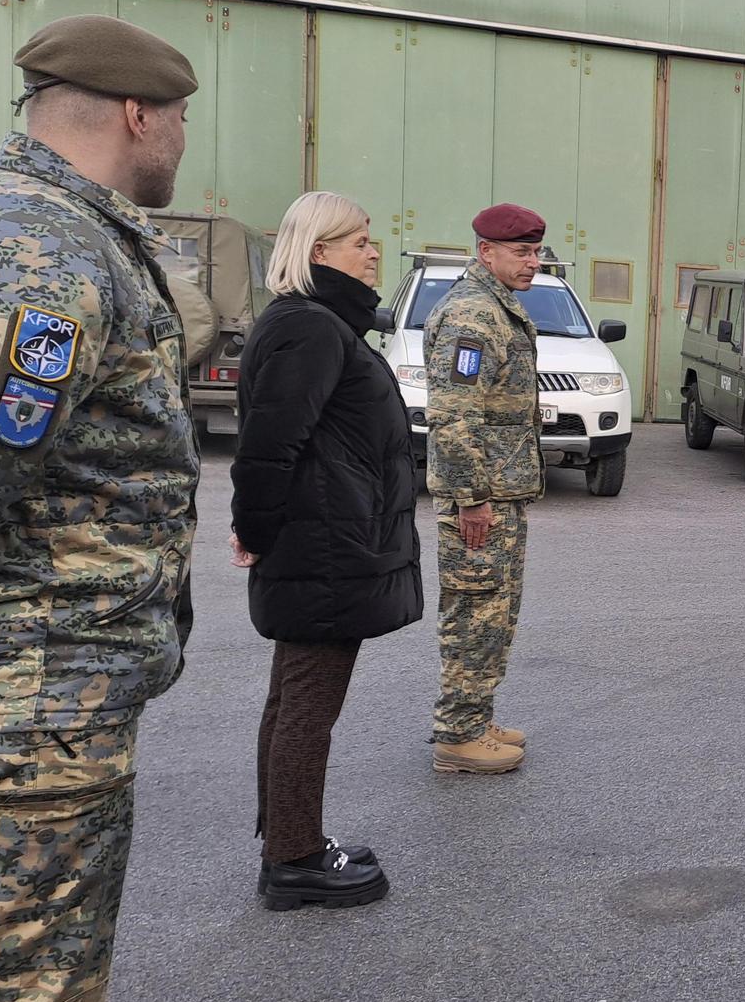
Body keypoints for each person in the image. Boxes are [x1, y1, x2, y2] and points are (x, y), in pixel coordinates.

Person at [0, 15, 199, 1002]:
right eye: (178, 119)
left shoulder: (29, 227)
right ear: (138, 114)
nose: (180, 140)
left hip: (24, 709)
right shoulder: (36, 248)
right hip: (18, 719)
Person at [230, 191, 421, 910]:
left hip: (327, 543)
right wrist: (254, 530)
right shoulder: (310, 327)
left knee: (293, 696)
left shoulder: (319, 323)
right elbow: (267, 447)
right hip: (327, 548)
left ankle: (288, 839)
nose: (373, 253)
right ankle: (295, 859)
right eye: (359, 241)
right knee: (308, 704)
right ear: (319, 252)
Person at [426, 204, 548, 774]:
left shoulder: (497, 307)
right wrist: (471, 498)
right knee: (475, 612)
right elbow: (453, 414)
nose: (533, 262)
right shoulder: (472, 316)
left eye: (536, 252)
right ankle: (458, 735)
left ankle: (476, 717)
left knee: (494, 611)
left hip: (501, 492)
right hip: (482, 498)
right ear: (485, 252)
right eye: (521, 252)